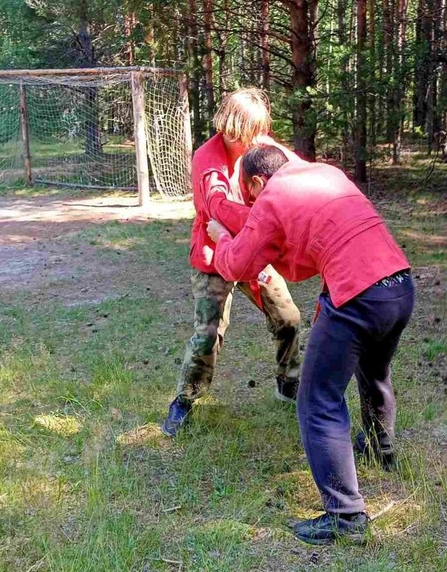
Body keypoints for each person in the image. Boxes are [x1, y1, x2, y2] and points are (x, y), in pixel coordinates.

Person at [206, 145, 414, 545]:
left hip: (356, 296)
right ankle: (379, 448)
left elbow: (237, 265)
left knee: (317, 400)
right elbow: (302, 260)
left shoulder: (271, 196)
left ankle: (346, 516)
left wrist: (222, 237)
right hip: (399, 286)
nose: (252, 203)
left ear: (257, 182)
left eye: (249, 195)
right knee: (374, 371)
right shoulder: (325, 173)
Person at [161, 89, 302, 438]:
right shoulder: (207, 158)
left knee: (287, 317)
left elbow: (294, 168)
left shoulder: (259, 145)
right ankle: (184, 399)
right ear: (233, 127)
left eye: (260, 130)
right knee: (208, 334)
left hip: (252, 251)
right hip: (214, 256)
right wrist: (266, 221)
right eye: (252, 131)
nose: (258, 138)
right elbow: (217, 207)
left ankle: (289, 383)